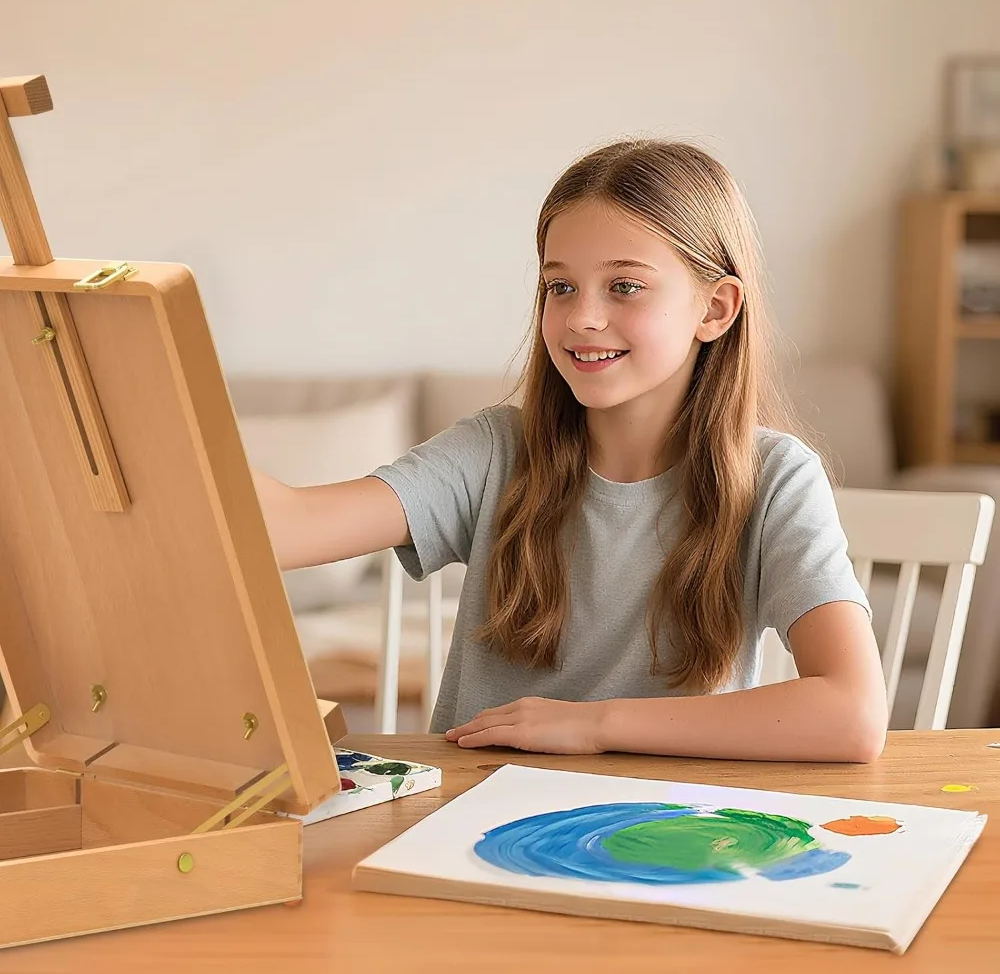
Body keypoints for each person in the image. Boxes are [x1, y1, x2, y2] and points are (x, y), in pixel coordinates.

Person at [252, 139, 887, 762]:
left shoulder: (775, 479)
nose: (582, 317)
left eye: (625, 286)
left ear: (715, 309)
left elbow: (852, 714)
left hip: (667, 832)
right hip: (471, 816)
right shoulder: (495, 452)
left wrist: (593, 725)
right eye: (560, 287)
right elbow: (284, 528)